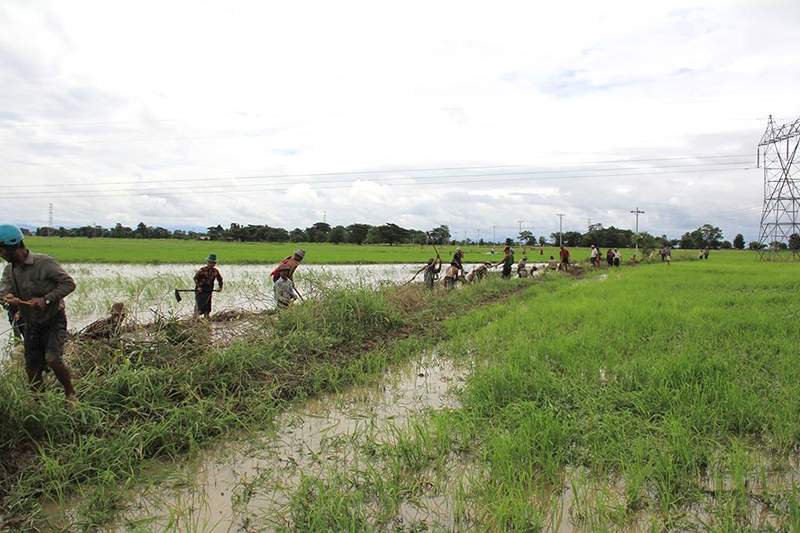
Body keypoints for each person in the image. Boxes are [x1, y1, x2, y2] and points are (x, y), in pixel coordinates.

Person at [0, 224, 78, 407]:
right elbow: (3, 292)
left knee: (52, 359)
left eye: (2, 249)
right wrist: (7, 299)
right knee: (32, 367)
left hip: (54, 320)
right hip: (31, 324)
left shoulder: (44, 263)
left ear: (13, 245)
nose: (1, 254)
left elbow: (69, 284)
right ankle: (39, 404)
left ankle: (71, 394)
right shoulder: (10, 271)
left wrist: (46, 299)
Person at [194, 254, 223, 319]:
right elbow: (195, 278)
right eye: (210, 263)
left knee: (208, 305)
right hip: (200, 290)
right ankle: (196, 318)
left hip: (209, 291)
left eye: (213, 263)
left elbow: (220, 279)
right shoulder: (202, 270)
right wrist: (198, 287)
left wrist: (220, 287)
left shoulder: (215, 271)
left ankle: (206, 318)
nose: (211, 264)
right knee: (199, 305)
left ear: (215, 264)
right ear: (207, 263)